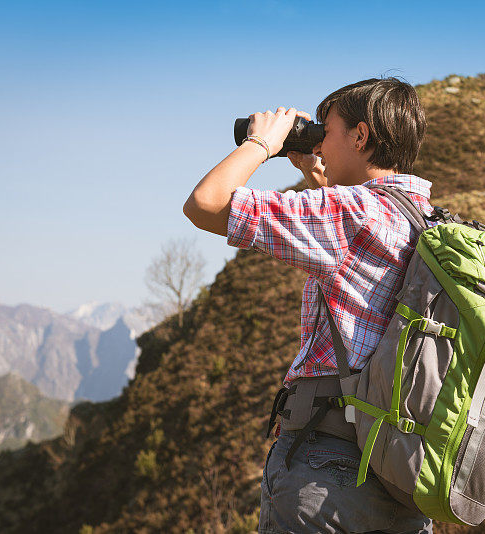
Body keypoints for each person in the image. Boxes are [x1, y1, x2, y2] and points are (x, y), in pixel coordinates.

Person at [183, 78, 433, 534]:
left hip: (330, 468)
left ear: (360, 136)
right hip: (401, 469)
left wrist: (263, 141)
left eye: (329, 130)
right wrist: (320, 175)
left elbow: (205, 204)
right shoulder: (422, 213)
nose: (320, 139)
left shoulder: (350, 213)